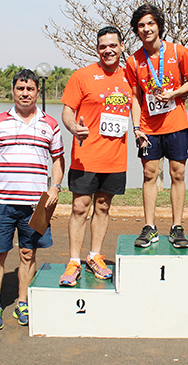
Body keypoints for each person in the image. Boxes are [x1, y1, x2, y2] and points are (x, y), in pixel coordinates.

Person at [0, 69, 64, 330]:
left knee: (28, 253)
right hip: (2, 202)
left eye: (30, 89)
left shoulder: (50, 124)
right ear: (13, 91)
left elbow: (58, 160)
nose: (25, 93)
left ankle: (22, 302)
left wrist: (56, 187)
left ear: (37, 92)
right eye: (20, 89)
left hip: (35, 205)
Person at [59, 26, 132, 286]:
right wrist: (72, 126)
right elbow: (67, 111)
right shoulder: (82, 76)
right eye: (103, 46)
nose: (108, 50)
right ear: (97, 49)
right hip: (85, 156)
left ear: (121, 47)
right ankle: (74, 261)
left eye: (113, 45)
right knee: (80, 207)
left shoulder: (130, 78)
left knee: (103, 206)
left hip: (115, 157)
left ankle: (94, 256)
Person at [126, 3, 188, 248]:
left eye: (150, 24)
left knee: (178, 173)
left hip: (176, 123)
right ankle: (149, 227)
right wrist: (136, 127)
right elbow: (135, 97)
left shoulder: (179, 52)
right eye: (141, 25)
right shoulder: (133, 60)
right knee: (149, 174)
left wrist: (174, 93)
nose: (146, 29)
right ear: (137, 30)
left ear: (159, 26)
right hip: (148, 127)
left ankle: (177, 226)